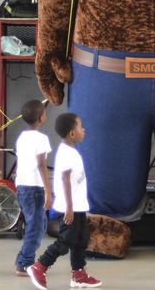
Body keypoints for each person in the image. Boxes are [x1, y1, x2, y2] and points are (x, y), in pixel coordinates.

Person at [27, 113, 102, 289]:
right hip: (70, 208)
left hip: (78, 206)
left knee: (81, 239)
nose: (83, 130)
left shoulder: (71, 151)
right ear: (72, 134)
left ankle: (79, 275)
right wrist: (69, 207)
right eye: (80, 127)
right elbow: (65, 179)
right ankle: (40, 266)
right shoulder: (67, 153)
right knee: (66, 241)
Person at [14, 99, 53, 276]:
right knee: (36, 227)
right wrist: (47, 189)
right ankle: (25, 263)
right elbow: (41, 164)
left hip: (22, 186)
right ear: (41, 118)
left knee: (39, 225)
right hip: (34, 188)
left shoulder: (22, 137)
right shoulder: (42, 138)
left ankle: (23, 258)